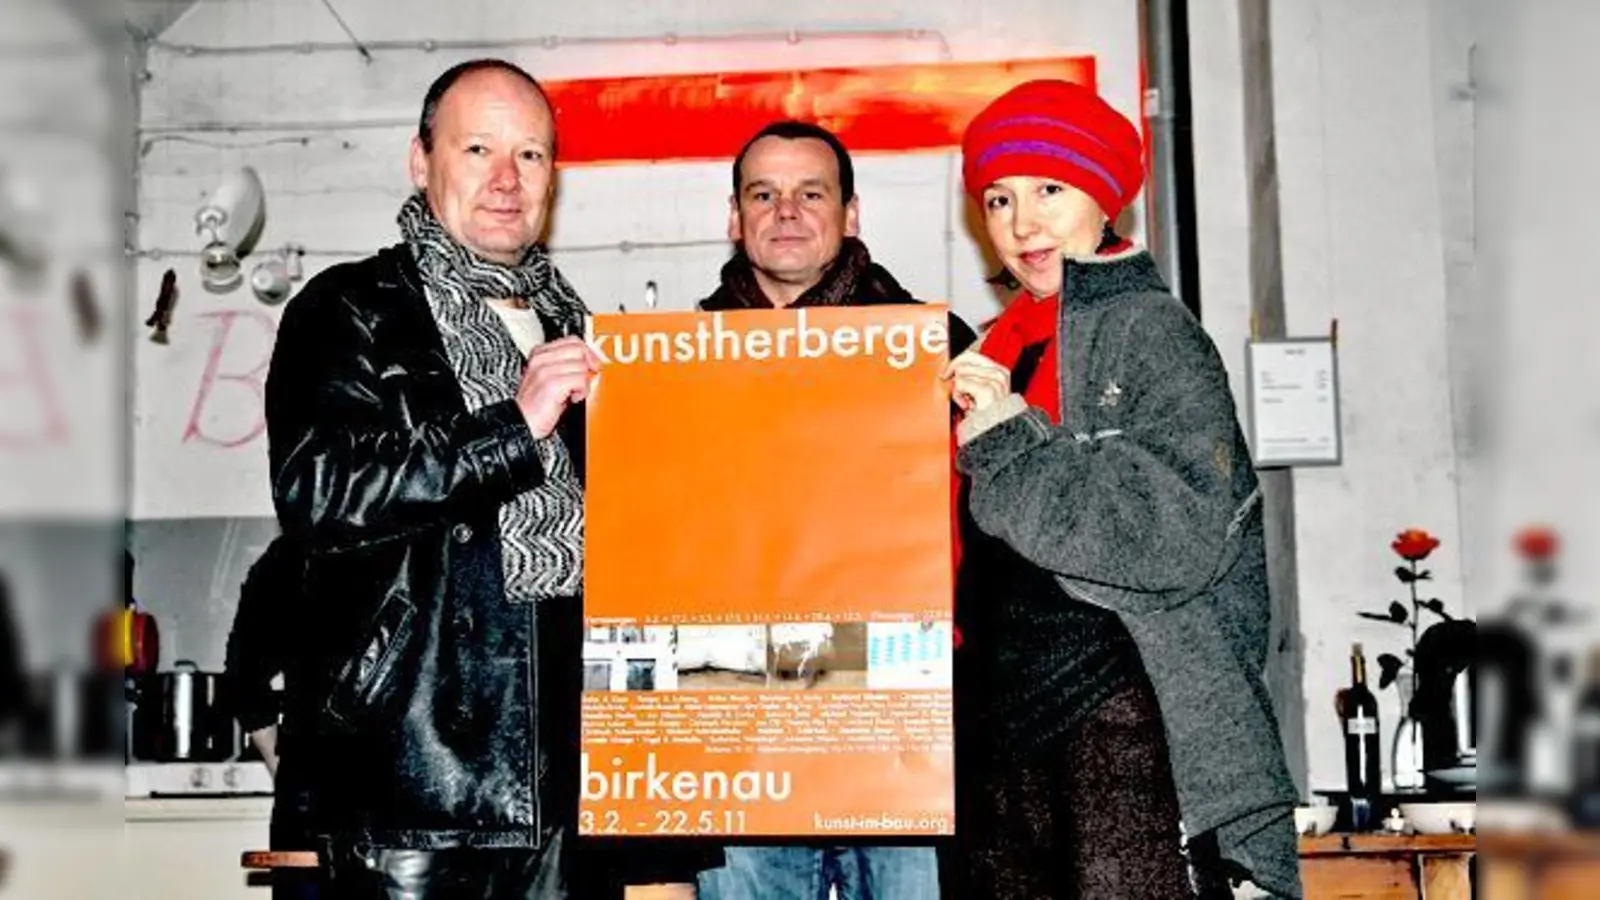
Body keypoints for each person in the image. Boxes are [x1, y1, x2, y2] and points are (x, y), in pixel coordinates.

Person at [263, 58, 710, 899]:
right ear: (420, 159)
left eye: (532, 156)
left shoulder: (582, 327)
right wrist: (512, 424)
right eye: (478, 149)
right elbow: (317, 491)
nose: (507, 179)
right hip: (405, 792)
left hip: (571, 788)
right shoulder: (347, 308)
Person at [940, 80, 1302, 898]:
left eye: (1049, 190)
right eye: (998, 199)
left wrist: (1008, 437)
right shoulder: (1000, 346)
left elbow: (1176, 533)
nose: (1022, 222)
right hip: (1008, 718)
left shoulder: (1150, 329)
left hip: (1122, 708)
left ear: (1102, 198)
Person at [693, 120, 973, 900]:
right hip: (741, 714)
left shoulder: (940, 353)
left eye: (811, 193)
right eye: (764, 194)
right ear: (734, 216)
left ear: (850, 215)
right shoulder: (681, 364)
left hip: (902, 711)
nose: (787, 211)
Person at [223, 536, 321, 900]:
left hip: (314, 787)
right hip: (427, 794)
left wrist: (286, 768)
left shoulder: (294, 553)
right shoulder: (438, 536)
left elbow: (242, 679)